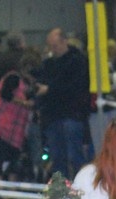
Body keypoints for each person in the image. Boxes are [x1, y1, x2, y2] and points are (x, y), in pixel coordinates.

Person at [36, 28, 92, 179]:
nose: (52, 49)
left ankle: (81, 189)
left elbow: (76, 87)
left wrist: (49, 90)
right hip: (53, 116)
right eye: (50, 46)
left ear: (64, 41)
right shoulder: (47, 64)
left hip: (72, 115)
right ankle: (61, 194)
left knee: (75, 157)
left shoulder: (78, 61)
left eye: (55, 45)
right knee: (57, 159)